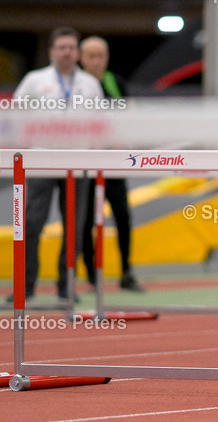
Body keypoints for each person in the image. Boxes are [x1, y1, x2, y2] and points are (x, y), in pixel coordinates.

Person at [10, 27, 104, 302]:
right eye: (61, 47)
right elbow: (16, 114)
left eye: (71, 47)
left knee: (75, 226)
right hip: (41, 160)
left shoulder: (89, 83)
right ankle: (25, 285)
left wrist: (96, 154)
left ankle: (67, 284)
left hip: (78, 161)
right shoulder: (34, 80)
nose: (66, 52)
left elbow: (100, 122)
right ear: (52, 51)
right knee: (31, 223)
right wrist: (24, 148)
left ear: (78, 52)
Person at [79, 36, 142, 292]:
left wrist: (127, 140)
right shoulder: (76, 86)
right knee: (85, 222)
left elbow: (132, 115)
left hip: (114, 163)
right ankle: (93, 275)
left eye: (100, 55)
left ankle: (127, 272)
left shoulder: (116, 83)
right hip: (86, 162)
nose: (96, 61)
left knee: (123, 216)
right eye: (91, 56)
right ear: (82, 58)